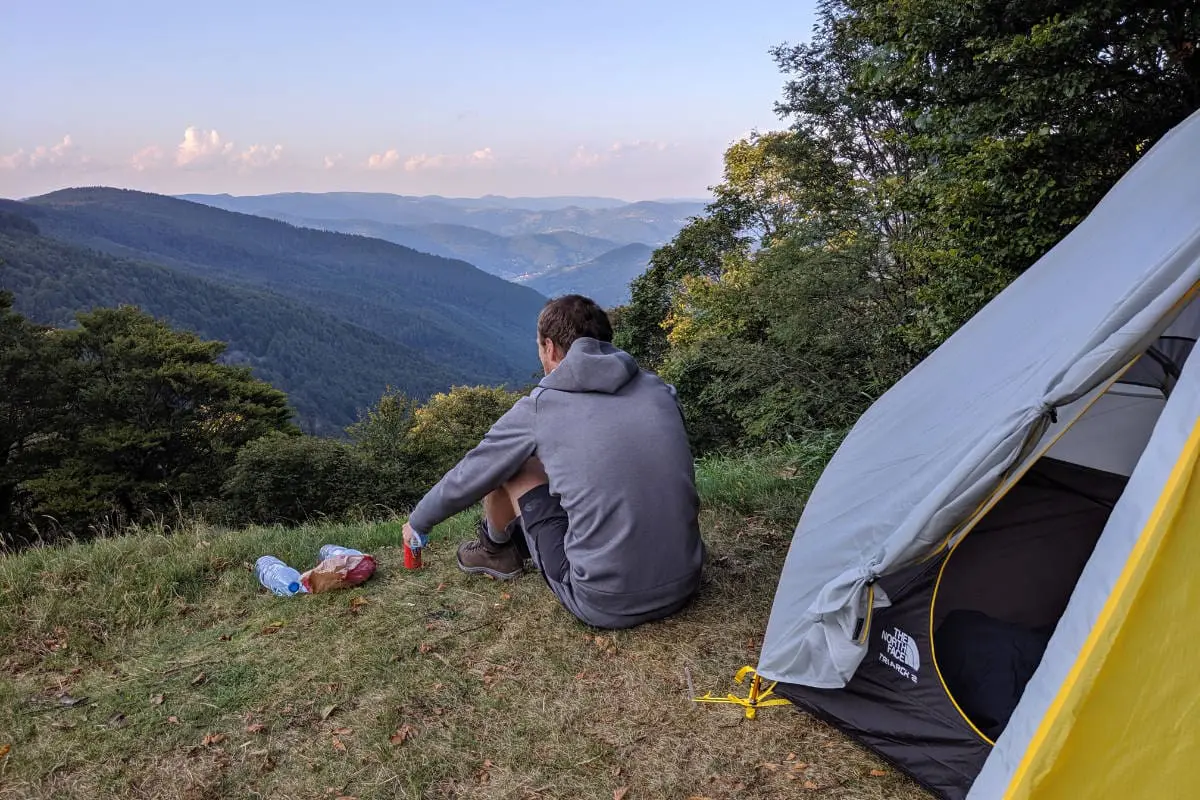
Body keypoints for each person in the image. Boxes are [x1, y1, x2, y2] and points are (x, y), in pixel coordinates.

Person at [402, 294, 705, 629]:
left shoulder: (540, 408)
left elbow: (473, 472)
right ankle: (505, 546)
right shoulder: (658, 388)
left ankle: (495, 551)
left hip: (604, 601)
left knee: (512, 465)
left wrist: (418, 522)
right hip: (685, 580)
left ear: (549, 347)